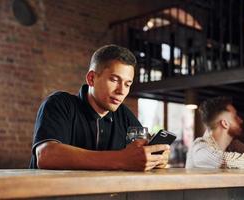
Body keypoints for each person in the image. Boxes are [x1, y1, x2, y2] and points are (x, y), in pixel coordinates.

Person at [29, 44, 170, 171]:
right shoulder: (60, 103)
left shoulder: (124, 115)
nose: (121, 91)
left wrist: (156, 158)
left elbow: (142, 147)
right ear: (91, 78)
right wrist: (120, 159)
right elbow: (46, 155)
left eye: (127, 84)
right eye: (114, 80)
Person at [186, 96, 244, 169]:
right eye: (235, 117)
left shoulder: (232, 145)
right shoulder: (200, 148)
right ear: (225, 124)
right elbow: (220, 160)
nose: (241, 121)